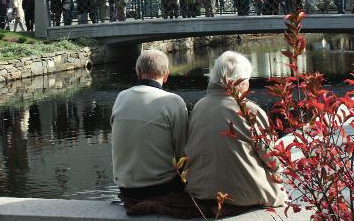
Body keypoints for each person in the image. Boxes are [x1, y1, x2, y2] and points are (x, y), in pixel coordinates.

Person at [185, 51, 287, 209]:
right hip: (243, 194)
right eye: (247, 80)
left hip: (200, 191)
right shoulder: (249, 110)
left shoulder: (198, 107)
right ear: (241, 83)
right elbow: (271, 158)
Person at [111, 49, 188, 212]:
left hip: (126, 188)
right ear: (166, 75)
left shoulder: (121, 97)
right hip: (162, 188)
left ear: (138, 72)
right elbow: (183, 152)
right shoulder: (173, 101)